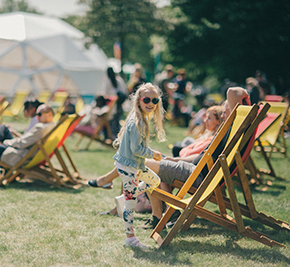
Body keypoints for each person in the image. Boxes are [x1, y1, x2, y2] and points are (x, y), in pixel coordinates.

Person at [90, 87, 251, 229]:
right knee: (142, 166)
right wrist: (175, 160)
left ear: (234, 111)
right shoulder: (229, 132)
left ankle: (111, 185)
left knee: (139, 162)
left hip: (196, 175)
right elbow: (202, 156)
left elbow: (234, 92)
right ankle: (155, 215)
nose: (223, 114)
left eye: (225, 110)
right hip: (192, 170)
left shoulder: (233, 128)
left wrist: (245, 101)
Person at [111, 82, 165, 250]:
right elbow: (136, 149)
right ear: (139, 101)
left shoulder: (140, 118)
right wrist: (153, 154)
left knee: (154, 181)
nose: (150, 104)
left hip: (134, 165)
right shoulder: (138, 122)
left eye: (154, 100)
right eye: (146, 99)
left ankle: (127, 195)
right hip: (129, 166)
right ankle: (130, 238)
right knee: (130, 204)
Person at [101, 67, 128, 138]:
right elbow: (124, 91)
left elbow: (105, 94)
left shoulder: (108, 81)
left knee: (110, 121)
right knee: (116, 121)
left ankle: (109, 136)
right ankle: (116, 136)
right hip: (119, 105)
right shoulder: (119, 80)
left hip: (111, 105)